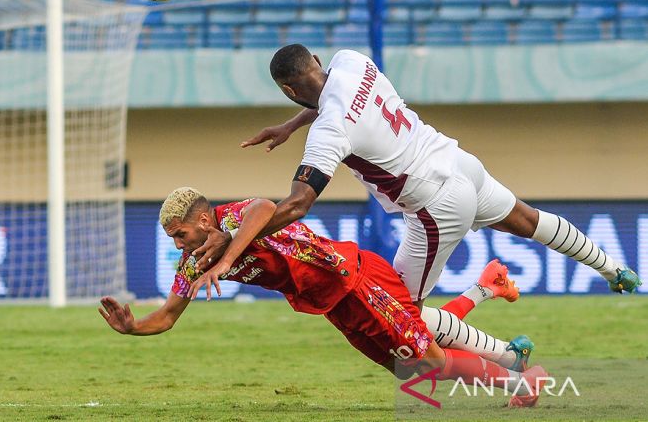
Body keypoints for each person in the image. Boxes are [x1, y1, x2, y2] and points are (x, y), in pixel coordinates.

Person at [191, 45, 640, 306]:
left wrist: (234, 241)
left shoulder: (329, 129)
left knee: (395, 311)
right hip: (458, 160)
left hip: (434, 205)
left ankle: (493, 313)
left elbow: (297, 204)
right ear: (315, 59)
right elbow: (336, 101)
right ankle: (614, 268)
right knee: (527, 220)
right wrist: (290, 125)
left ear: (288, 90)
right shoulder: (351, 61)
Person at [99, 187, 546, 407]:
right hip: (331, 304)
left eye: (181, 234)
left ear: (202, 218)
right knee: (409, 362)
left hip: (355, 279)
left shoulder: (234, 216)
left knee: (425, 358)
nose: (179, 246)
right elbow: (168, 315)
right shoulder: (196, 259)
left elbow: (264, 209)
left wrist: (225, 255)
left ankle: (524, 380)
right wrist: (133, 327)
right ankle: (486, 288)